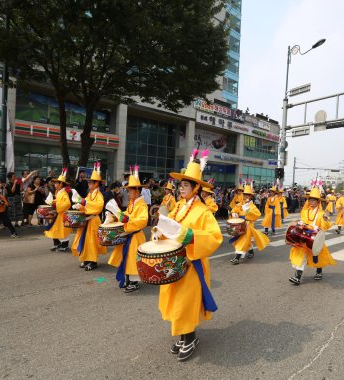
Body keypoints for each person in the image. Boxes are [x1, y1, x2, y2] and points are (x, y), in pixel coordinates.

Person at [154, 149, 222, 361]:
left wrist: (190, 236)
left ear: (196, 188)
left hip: (191, 263)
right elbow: (170, 226)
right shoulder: (179, 207)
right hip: (174, 261)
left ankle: (190, 337)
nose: (180, 189)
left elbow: (214, 237)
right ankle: (184, 336)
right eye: (180, 185)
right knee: (174, 299)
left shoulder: (203, 212)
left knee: (186, 301)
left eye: (185, 185)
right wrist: (159, 231)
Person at [106, 165, 148, 291]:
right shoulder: (132, 204)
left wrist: (126, 220)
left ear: (137, 191)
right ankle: (129, 279)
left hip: (135, 235)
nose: (128, 193)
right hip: (129, 234)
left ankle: (134, 281)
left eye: (130, 190)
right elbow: (127, 216)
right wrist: (115, 216)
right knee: (127, 258)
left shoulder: (142, 205)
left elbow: (142, 221)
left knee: (133, 259)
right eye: (128, 190)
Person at [288, 187, 336, 285]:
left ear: (318, 201)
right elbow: (303, 222)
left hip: (315, 236)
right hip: (304, 235)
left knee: (318, 254)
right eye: (310, 199)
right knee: (302, 255)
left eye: (314, 200)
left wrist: (326, 220)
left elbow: (325, 226)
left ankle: (319, 271)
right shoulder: (305, 211)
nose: (311, 201)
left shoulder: (321, 213)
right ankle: (297, 277)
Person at [71, 162, 106, 271]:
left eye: (91, 182)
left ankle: (93, 261)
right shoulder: (90, 194)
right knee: (85, 240)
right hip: (86, 220)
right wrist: (79, 206)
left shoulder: (99, 195)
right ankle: (86, 259)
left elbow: (99, 206)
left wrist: (84, 203)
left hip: (93, 220)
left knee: (92, 242)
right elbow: (85, 204)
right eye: (89, 182)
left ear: (97, 183)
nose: (89, 184)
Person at [229, 182, 269, 265]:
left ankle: (237, 258)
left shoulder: (252, 206)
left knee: (242, 240)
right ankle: (251, 251)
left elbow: (257, 215)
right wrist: (234, 213)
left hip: (247, 224)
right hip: (239, 223)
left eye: (247, 195)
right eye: (245, 194)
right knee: (244, 240)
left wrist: (247, 209)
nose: (246, 196)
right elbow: (234, 209)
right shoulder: (240, 204)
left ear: (251, 196)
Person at [44, 168, 72, 252]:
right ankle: (57, 244)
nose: (55, 184)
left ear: (61, 184)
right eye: (55, 183)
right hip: (58, 214)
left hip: (62, 215)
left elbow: (67, 204)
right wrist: (52, 202)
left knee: (61, 230)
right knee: (54, 229)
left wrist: (56, 204)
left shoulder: (64, 193)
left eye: (56, 183)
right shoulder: (58, 192)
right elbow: (57, 201)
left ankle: (64, 245)